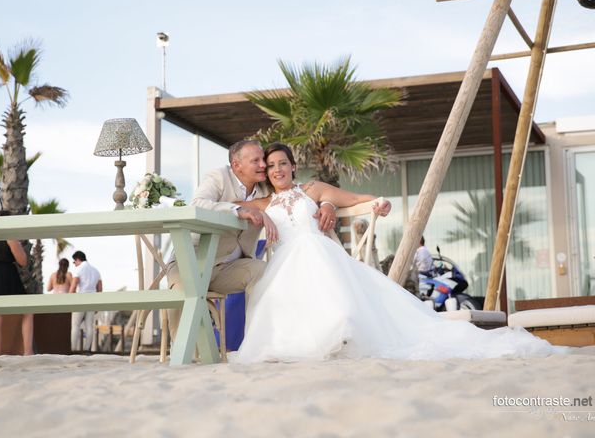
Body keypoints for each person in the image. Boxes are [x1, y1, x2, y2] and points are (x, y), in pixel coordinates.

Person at [231, 143, 558, 363]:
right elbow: (226, 206)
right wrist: (255, 214)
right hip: (285, 265)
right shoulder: (262, 203)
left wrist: (376, 203)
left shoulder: (312, 190)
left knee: (338, 299)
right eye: (271, 166)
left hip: (322, 258)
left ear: (293, 165)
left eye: (282, 163)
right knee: (272, 293)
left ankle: (342, 333)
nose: (277, 170)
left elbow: (359, 198)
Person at [166, 139, 337, 340]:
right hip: (191, 261)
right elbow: (198, 204)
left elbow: (299, 194)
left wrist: (327, 203)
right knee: (184, 293)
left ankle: (261, 341)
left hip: (228, 269)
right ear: (237, 166)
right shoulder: (218, 177)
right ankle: (183, 353)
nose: (264, 165)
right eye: (256, 161)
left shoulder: (266, 188)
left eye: (263, 160)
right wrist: (240, 210)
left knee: (264, 273)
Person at [0, 210, 34, 356]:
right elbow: (23, 261)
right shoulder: (9, 237)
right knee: (27, 311)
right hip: (7, 275)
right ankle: (28, 351)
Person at [69, 250, 102, 352]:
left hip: (80, 299)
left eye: (74, 262)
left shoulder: (79, 269)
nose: (74, 264)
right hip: (92, 299)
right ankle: (87, 349)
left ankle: (73, 349)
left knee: (75, 325)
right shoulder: (96, 271)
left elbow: (73, 287)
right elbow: (100, 289)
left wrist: (69, 301)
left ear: (77, 259)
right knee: (89, 326)